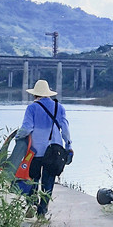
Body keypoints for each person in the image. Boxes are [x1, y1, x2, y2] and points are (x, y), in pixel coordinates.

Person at [18, 79, 72, 216]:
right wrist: (68, 146)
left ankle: (31, 204)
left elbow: (26, 128)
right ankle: (42, 211)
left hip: (35, 151)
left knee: (32, 178)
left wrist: (17, 137)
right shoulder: (59, 107)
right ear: (48, 94)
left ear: (35, 95)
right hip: (54, 151)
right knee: (48, 182)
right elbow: (65, 129)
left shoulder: (32, 108)